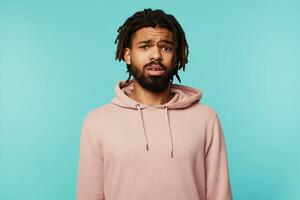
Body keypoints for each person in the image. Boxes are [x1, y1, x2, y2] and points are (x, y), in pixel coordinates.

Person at [76, 8, 232, 200]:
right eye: (144, 46)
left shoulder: (206, 119)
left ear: (176, 57)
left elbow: (220, 195)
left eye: (166, 47)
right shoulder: (97, 122)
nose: (156, 55)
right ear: (127, 54)